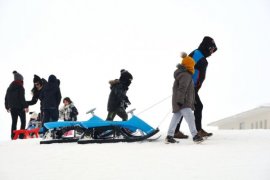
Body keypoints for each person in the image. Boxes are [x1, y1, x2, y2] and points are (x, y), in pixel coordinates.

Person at [174, 36, 217, 138]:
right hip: (189, 88)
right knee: (197, 106)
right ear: (207, 47)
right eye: (211, 49)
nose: (211, 52)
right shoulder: (198, 56)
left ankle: (175, 131)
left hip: (190, 87)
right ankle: (197, 131)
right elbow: (186, 68)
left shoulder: (198, 55)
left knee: (183, 108)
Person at [165, 53, 203, 144]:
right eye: (192, 65)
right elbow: (182, 88)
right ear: (189, 65)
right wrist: (180, 100)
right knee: (190, 118)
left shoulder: (183, 74)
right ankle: (195, 136)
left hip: (180, 101)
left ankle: (169, 136)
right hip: (183, 102)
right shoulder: (186, 75)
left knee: (176, 118)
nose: (193, 67)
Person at [5, 71, 29, 139]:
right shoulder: (20, 87)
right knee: (23, 121)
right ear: (20, 80)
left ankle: (13, 137)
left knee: (14, 122)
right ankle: (21, 136)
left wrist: (7, 107)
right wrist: (26, 106)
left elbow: (6, 98)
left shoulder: (9, 88)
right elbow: (22, 98)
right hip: (20, 108)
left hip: (12, 108)